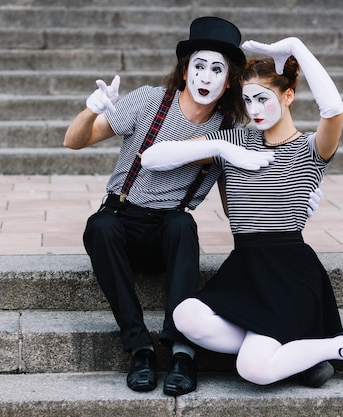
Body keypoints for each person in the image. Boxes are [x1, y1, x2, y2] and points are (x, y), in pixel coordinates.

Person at [141, 37, 343, 388]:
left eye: (263, 98)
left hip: (288, 273)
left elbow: (333, 110)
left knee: (253, 370)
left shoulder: (310, 149)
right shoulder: (236, 142)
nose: (254, 108)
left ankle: (340, 346)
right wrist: (218, 146)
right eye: (247, 100)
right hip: (244, 270)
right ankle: (300, 354)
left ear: (287, 96)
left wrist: (298, 49)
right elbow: (151, 157)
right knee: (185, 315)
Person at [63, 16, 277, 396]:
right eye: (199, 66)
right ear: (184, 71)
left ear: (228, 81)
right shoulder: (148, 101)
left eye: (217, 69)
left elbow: (235, 208)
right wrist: (91, 109)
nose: (206, 77)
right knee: (99, 226)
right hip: (122, 218)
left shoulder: (230, 133)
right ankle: (139, 348)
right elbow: (74, 141)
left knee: (183, 226)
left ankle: (182, 352)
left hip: (168, 231)